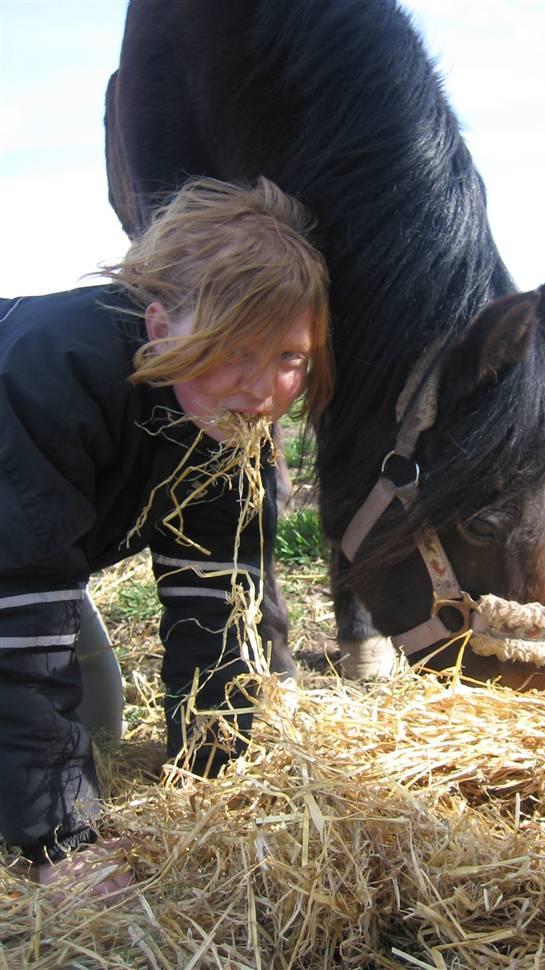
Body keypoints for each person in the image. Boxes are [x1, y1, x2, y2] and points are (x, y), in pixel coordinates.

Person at [0, 176, 332, 894]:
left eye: (290, 358)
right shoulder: (50, 372)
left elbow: (219, 602)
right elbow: (20, 627)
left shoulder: (224, 420)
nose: (263, 389)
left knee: (98, 720)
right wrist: (61, 845)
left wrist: (216, 781)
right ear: (158, 328)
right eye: (236, 349)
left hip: (16, 553)